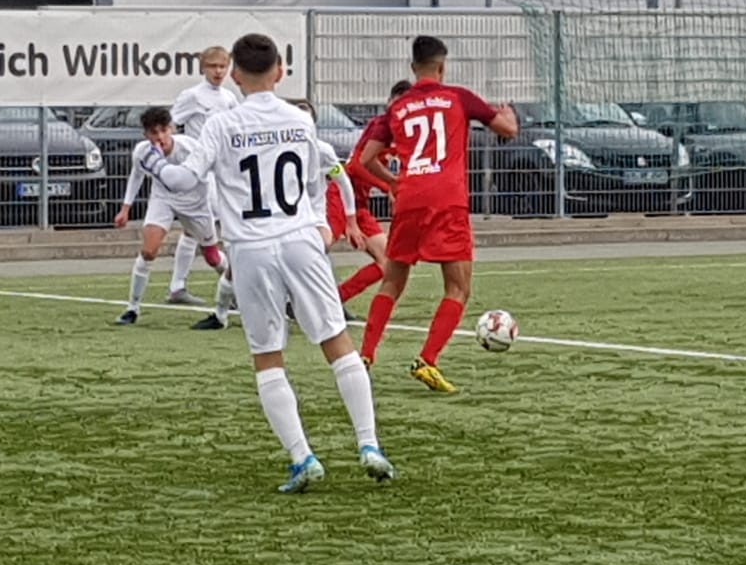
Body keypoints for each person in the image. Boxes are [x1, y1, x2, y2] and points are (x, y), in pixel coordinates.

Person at [138, 32, 394, 491]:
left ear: (235, 76)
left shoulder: (222, 124)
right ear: (280, 71)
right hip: (300, 242)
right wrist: (320, 224)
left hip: (251, 249)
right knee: (337, 342)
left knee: (268, 356)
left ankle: (302, 457)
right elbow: (317, 181)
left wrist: (151, 162)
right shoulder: (300, 119)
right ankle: (369, 444)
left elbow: (183, 180)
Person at [356, 36, 518, 393]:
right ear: (442, 66)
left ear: (413, 68)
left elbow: (366, 158)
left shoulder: (398, 107)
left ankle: (364, 356)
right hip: (447, 199)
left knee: (392, 281)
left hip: (410, 197)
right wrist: (510, 117)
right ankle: (427, 360)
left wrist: (394, 183)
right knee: (458, 287)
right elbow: (507, 130)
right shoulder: (458, 97)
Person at [189, 103, 360, 332]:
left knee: (317, 250)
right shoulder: (268, 148)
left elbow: (343, 181)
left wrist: (351, 220)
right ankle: (220, 316)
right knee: (237, 269)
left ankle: (330, 308)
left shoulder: (322, 151)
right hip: (277, 218)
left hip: (312, 217)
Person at [112, 106, 228, 326]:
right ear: (146, 134)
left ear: (171, 129)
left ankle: (235, 290)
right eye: (154, 132)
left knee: (212, 257)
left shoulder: (189, 147)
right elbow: (136, 175)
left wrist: (219, 203)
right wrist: (125, 208)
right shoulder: (142, 152)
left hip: (196, 203)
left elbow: (215, 171)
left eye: (164, 130)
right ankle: (132, 308)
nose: (160, 137)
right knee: (149, 251)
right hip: (163, 200)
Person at [162, 46, 239, 307]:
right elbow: (170, 125)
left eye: (222, 66)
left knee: (198, 229)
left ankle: (178, 286)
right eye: (213, 66)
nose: (218, 71)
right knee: (204, 227)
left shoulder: (229, 98)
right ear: (203, 68)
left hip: (222, 170)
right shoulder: (192, 96)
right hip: (200, 171)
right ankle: (233, 284)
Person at [332, 80, 411, 305]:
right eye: (397, 103)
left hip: (358, 204)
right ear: (389, 102)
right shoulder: (380, 126)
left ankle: (335, 300)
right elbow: (356, 166)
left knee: (387, 262)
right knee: (318, 248)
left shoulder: (404, 132)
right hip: (338, 195)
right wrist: (388, 186)